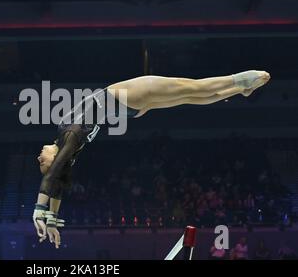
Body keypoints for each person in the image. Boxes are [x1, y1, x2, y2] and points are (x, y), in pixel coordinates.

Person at [33, 70, 271, 248]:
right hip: (126, 96)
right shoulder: (70, 135)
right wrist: (38, 210)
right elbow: (55, 176)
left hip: (127, 107)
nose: (38, 156)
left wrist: (51, 219)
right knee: (192, 87)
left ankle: (239, 90)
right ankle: (238, 79)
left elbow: (58, 183)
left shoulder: (68, 146)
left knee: (191, 97)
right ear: (52, 159)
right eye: (41, 161)